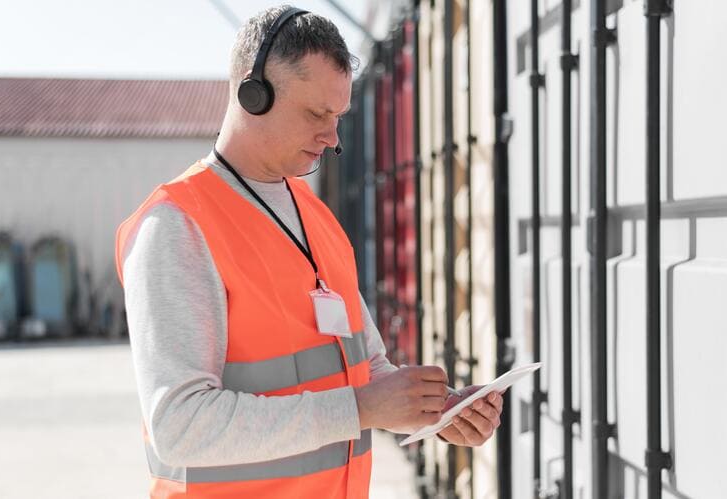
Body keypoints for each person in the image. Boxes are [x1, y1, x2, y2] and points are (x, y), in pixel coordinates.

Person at [115, 6, 503, 498]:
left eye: (338, 116)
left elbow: (365, 369)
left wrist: (432, 410)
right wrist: (360, 407)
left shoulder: (316, 218)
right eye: (316, 114)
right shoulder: (176, 227)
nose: (333, 137)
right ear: (251, 96)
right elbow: (180, 426)